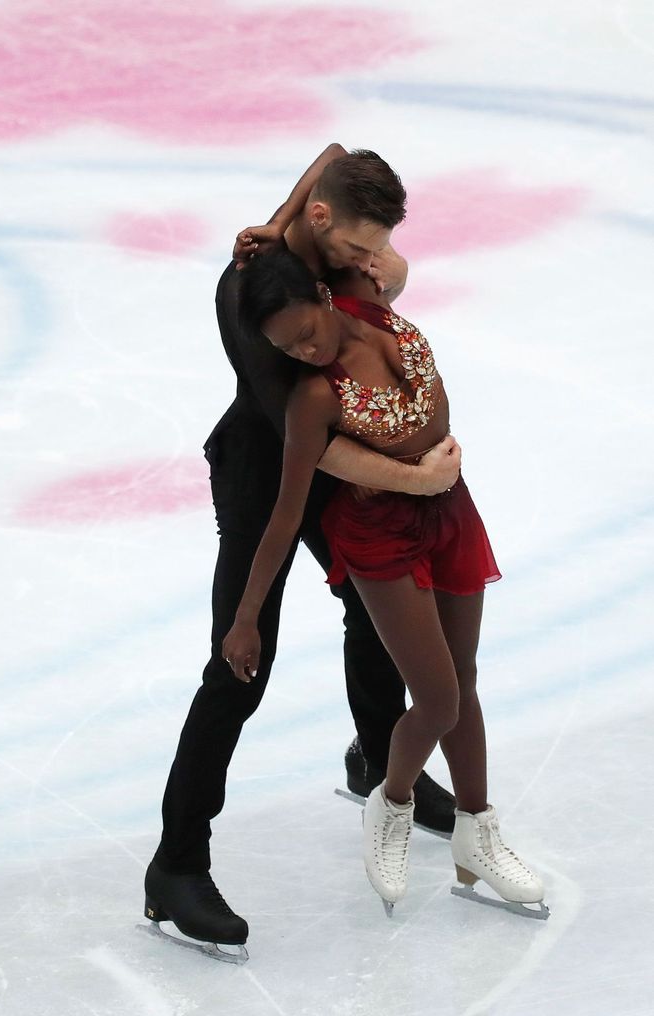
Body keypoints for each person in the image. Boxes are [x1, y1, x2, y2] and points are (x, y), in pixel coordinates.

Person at [144, 147, 462, 960]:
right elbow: (314, 454)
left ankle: (376, 752)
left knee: (371, 607)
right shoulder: (257, 306)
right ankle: (176, 867)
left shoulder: (317, 247)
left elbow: (335, 154)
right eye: (358, 250)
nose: (372, 263)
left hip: (322, 468)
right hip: (266, 475)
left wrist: (286, 216)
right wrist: (415, 478)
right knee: (240, 667)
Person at [223, 248, 547, 921]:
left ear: (321, 292)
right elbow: (285, 517)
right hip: (377, 535)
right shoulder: (315, 396)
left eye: (308, 330)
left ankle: (477, 834)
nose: (307, 350)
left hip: (451, 510)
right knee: (438, 700)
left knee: (464, 679)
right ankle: (390, 802)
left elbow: (343, 167)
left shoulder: (371, 306)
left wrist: (269, 229)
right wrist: (247, 615)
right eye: (289, 347)